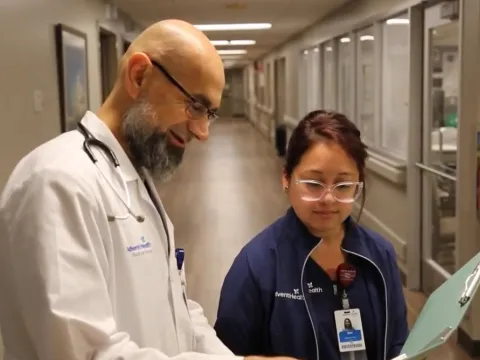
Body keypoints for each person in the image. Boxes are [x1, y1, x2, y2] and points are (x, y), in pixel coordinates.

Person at [0, 19, 297, 360]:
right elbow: (87, 353)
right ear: (139, 76)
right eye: (195, 106)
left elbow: (177, 310)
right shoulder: (57, 181)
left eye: (210, 114)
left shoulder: (135, 178)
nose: (202, 132)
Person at [214, 110, 409, 360]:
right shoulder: (256, 266)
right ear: (286, 179)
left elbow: (398, 343)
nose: (328, 198)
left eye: (343, 185)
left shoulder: (379, 255)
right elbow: (223, 353)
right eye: (314, 184)